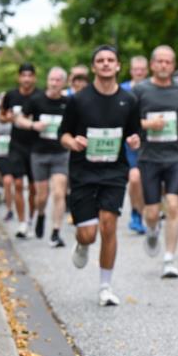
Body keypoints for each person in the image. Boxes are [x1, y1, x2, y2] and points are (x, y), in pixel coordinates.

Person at [59, 45, 141, 307]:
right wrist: (72, 142)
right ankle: (82, 244)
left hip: (114, 171)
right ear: (94, 67)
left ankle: (105, 286)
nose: (106, 64)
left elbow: (134, 133)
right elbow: (63, 135)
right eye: (100, 60)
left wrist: (135, 140)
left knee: (109, 225)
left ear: (118, 66)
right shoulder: (78, 99)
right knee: (89, 234)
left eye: (110, 60)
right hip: (83, 171)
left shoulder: (129, 101)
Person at [133, 45, 178, 277]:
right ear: (152, 64)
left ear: (173, 65)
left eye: (168, 62)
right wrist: (148, 125)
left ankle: (169, 259)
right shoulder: (140, 91)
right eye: (159, 61)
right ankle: (151, 229)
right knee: (151, 212)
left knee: (173, 206)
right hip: (149, 157)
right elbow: (130, 120)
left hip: (176, 156)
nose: (163, 66)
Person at [17, 67, 70, 246]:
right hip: (39, 153)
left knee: (59, 191)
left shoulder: (69, 103)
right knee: (41, 196)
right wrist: (33, 125)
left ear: (64, 83)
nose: (54, 84)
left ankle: (55, 232)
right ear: (47, 81)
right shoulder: (36, 100)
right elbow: (19, 120)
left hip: (61, 154)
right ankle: (40, 214)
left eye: (58, 80)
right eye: (51, 80)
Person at [1, 63, 39, 238]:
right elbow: (1, 116)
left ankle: (31, 219)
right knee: (17, 183)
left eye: (29, 75)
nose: (26, 79)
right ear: (19, 78)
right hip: (16, 144)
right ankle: (22, 222)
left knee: (33, 188)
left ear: (34, 78)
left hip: (36, 146)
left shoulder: (40, 95)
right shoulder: (11, 95)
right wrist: (7, 118)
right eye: (23, 75)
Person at [122, 55, 150, 235]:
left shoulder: (153, 88)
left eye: (142, 69)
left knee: (152, 183)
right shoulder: (122, 89)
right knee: (134, 178)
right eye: (135, 69)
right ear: (131, 71)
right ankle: (135, 214)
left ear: (146, 71)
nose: (139, 72)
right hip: (130, 142)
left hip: (152, 142)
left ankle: (150, 212)